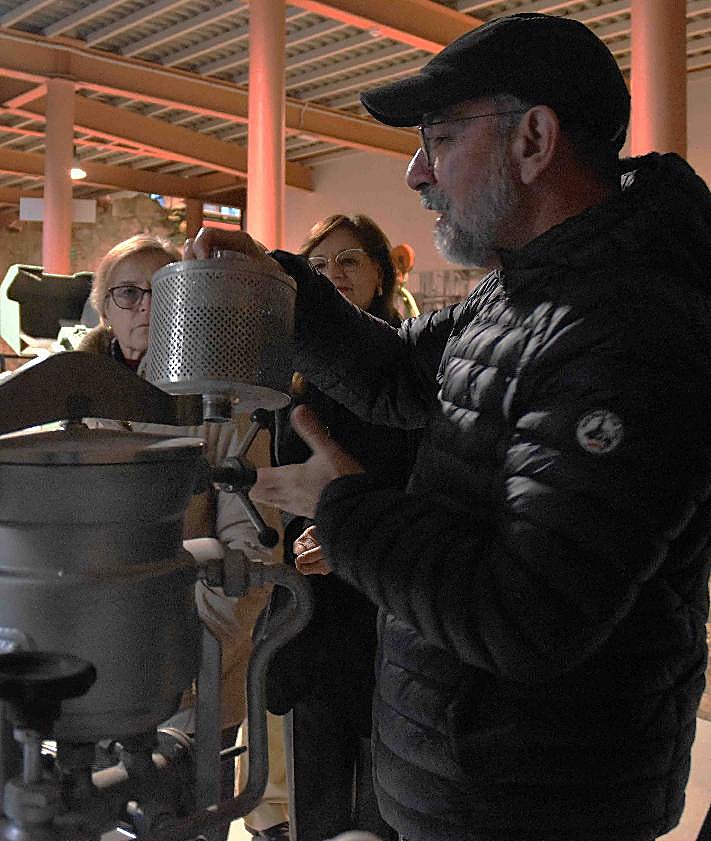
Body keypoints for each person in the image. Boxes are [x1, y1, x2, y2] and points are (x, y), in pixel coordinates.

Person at [186, 11, 711, 841]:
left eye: (438, 139)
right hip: (470, 769)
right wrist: (284, 291)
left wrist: (346, 506)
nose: (414, 173)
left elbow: (527, 612)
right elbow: (397, 378)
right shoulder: (522, 286)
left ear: (533, 140)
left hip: (541, 798)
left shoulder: (626, 326)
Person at [78, 234, 277, 813]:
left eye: (163, 292)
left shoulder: (229, 414)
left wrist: (185, 655)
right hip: (79, 678)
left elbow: (251, 560)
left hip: (195, 683)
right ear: (103, 308)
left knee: (181, 818)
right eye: (127, 294)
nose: (145, 307)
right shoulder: (63, 409)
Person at [252, 214, 416, 841]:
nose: (333, 275)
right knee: (312, 777)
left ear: (381, 272)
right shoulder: (290, 381)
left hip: (388, 592)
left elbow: (428, 481)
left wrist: (356, 528)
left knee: (390, 783)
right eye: (317, 266)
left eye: (349, 260)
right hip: (312, 599)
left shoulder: (412, 374)